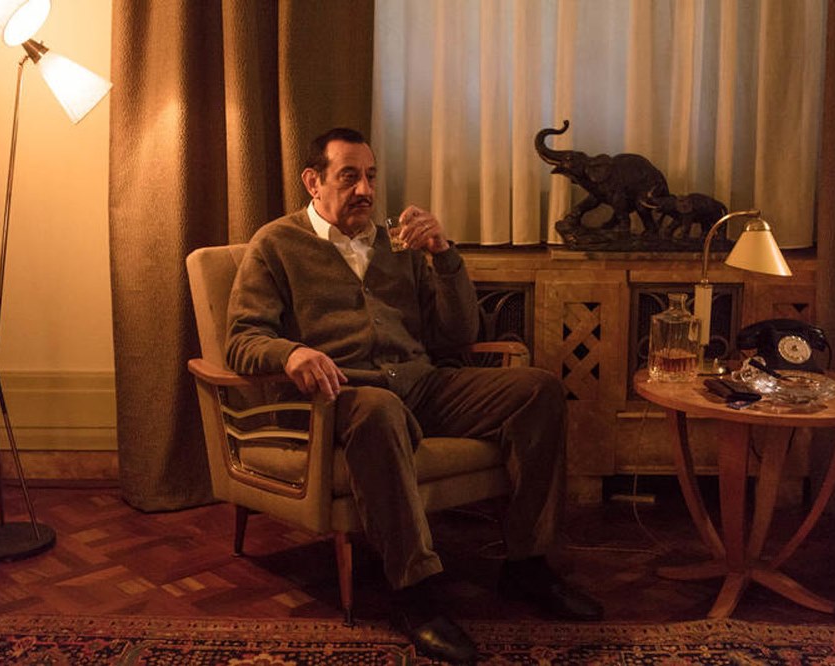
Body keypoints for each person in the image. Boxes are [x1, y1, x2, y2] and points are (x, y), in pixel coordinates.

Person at [225, 127, 602, 664]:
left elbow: (458, 334)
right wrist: (291, 353)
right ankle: (414, 594)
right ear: (313, 181)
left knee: (538, 389)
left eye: (371, 177)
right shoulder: (276, 245)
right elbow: (241, 340)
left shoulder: (396, 243)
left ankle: (528, 565)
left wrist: (443, 256)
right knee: (378, 408)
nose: (365, 190)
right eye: (349, 177)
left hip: (422, 385)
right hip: (345, 396)